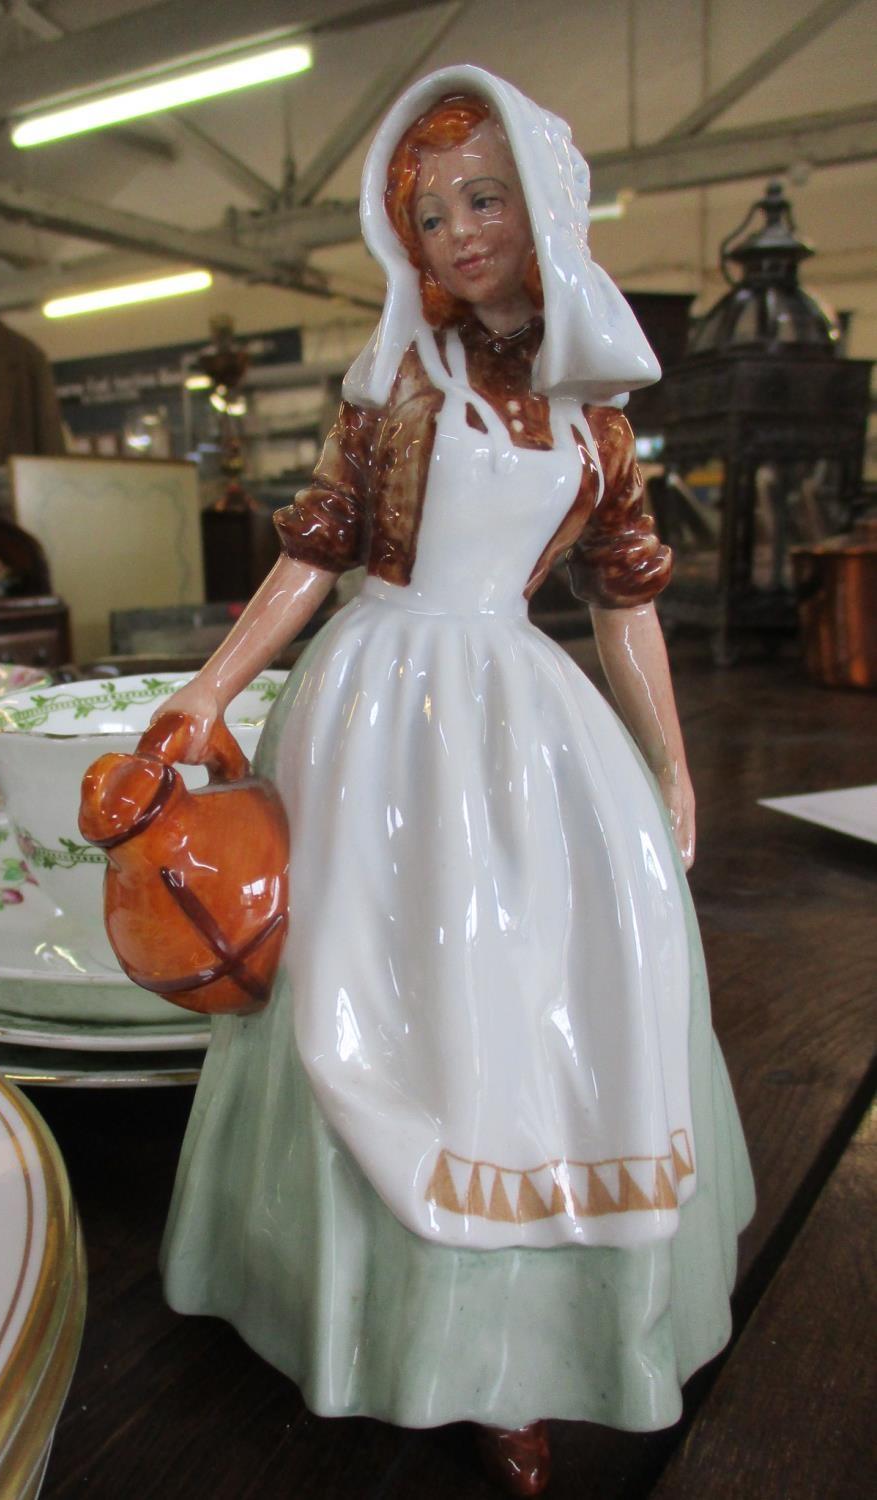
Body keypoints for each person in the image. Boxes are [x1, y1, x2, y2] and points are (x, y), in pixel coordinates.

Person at [155, 66, 753, 1494]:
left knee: (566, 977)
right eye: (427, 213)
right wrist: (211, 683)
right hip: (375, 709)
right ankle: (348, 1304)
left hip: (519, 713)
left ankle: (534, 1342)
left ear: (542, 202)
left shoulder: (596, 422)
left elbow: (623, 601)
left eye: (483, 198)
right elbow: (315, 547)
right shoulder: (393, 393)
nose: (459, 230)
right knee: (362, 971)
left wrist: (667, 761)